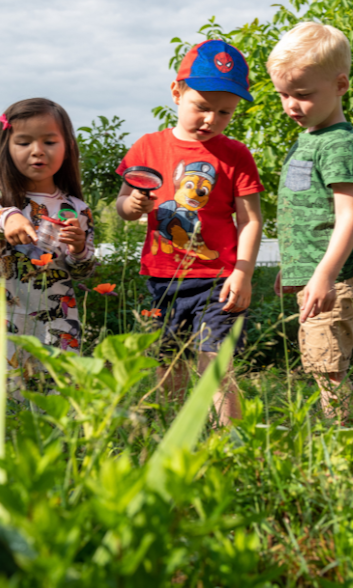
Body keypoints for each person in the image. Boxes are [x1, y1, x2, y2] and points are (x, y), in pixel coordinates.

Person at [116, 39, 264, 425]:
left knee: (216, 365)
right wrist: (131, 206)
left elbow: (251, 219)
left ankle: (229, 445)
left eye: (224, 112)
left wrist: (244, 271)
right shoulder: (147, 148)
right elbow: (124, 205)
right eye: (202, 106)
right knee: (169, 366)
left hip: (218, 280)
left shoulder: (236, 156)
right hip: (162, 279)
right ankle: (176, 434)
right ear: (176, 92)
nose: (211, 119)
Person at [268, 22, 353, 424]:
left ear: (341, 85)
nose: (291, 105)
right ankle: (338, 434)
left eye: (303, 95)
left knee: (327, 364)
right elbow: (307, 212)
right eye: (283, 95)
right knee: (317, 360)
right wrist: (294, 266)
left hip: (340, 276)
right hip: (317, 273)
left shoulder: (339, 145)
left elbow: (349, 216)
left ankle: (341, 440)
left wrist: (324, 275)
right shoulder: (309, 138)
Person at [0, 98, 96, 394]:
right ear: (7, 147)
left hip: (57, 318)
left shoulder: (77, 208)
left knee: (56, 394)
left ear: (67, 148)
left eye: (50, 141)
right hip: (1, 313)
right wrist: (9, 216)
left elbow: (84, 270)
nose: (37, 151)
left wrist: (79, 249)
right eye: (24, 142)